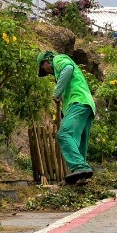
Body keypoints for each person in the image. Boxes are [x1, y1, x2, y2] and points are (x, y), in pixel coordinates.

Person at [36, 50, 96, 185]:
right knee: (78, 142)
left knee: (64, 134)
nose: (46, 72)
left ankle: (80, 167)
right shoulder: (59, 71)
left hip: (78, 102)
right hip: (87, 106)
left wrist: (57, 92)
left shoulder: (58, 59)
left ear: (45, 62)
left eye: (43, 69)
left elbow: (68, 68)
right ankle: (82, 178)